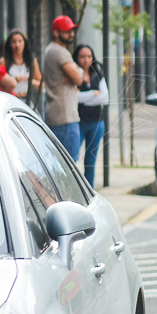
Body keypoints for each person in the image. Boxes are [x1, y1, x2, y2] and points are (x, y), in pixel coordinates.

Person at [43, 16, 85, 158]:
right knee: (69, 166)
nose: (71, 34)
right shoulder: (60, 52)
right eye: (67, 31)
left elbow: (75, 76)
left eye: (72, 31)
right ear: (56, 32)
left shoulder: (50, 50)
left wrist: (73, 72)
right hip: (65, 116)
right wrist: (77, 71)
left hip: (55, 114)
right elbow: (79, 79)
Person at [74, 44, 108, 188]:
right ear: (76, 58)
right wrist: (93, 94)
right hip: (78, 122)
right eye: (82, 56)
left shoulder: (97, 73)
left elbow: (104, 98)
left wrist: (85, 98)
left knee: (91, 160)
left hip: (96, 122)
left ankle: (89, 189)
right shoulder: (74, 74)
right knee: (73, 156)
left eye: (89, 56)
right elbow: (74, 97)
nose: (86, 60)